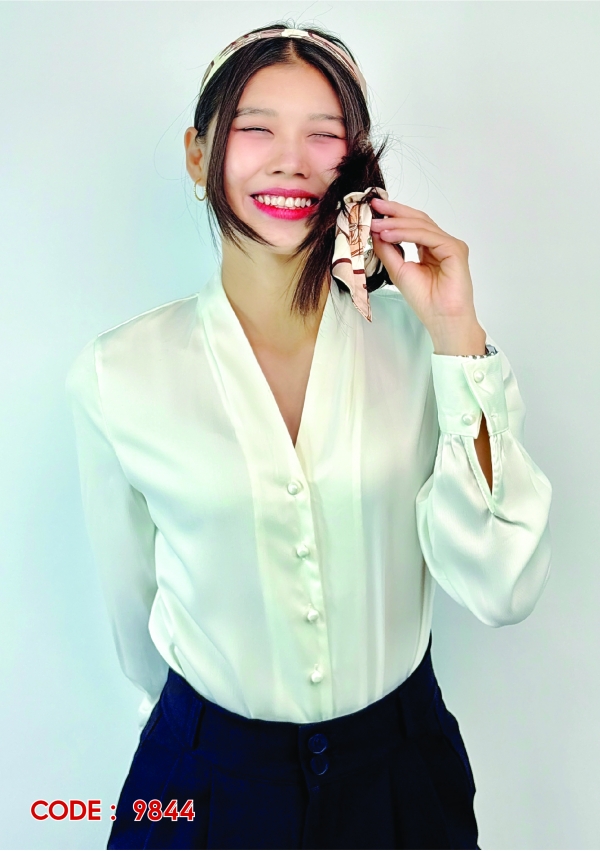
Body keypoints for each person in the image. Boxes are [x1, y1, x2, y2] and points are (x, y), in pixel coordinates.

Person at [65, 21, 553, 851]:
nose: (291, 161)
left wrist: (456, 331)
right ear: (198, 154)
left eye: (324, 136)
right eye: (256, 129)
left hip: (401, 774)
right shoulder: (117, 374)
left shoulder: (422, 344)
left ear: (354, 165)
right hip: (202, 776)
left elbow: (502, 587)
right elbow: (134, 614)